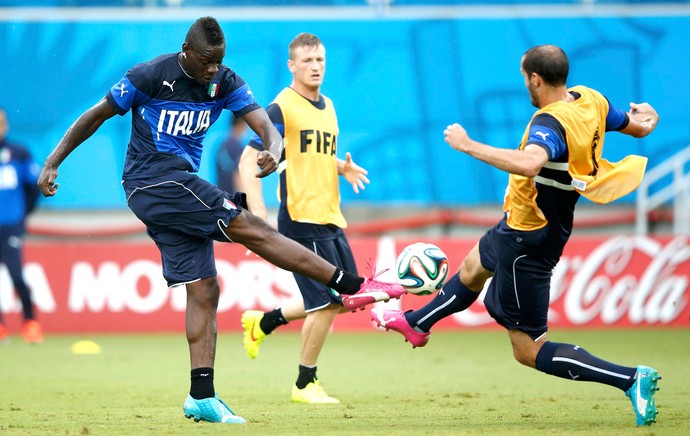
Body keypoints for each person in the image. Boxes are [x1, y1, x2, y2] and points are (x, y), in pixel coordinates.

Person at [37, 17, 404, 425]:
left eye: (219, 62)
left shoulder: (225, 81)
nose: (214, 70)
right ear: (186, 51)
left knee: (205, 287)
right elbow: (97, 115)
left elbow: (263, 123)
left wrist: (274, 146)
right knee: (252, 227)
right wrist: (53, 161)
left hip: (178, 187)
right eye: (207, 62)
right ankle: (351, 285)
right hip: (151, 180)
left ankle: (202, 396)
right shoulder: (150, 75)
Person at [371, 45, 661, 427]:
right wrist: (647, 117)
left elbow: (530, 161)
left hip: (530, 239)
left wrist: (468, 145)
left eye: (525, 77)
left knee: (528, 348)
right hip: (521, 223)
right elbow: (638, 126)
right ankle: (418, 323)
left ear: (535, 79)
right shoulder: (593, 99)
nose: (525, 82)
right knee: (474, 266)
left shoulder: (549, 123)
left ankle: (629, 379)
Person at [238, 33, 382, 404]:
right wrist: (258, 217)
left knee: (347, 298)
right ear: (292, 66)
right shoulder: (280, 108)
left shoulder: (328, 105)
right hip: (300, 217)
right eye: (307, 61)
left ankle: (264, 321)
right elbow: (247, 160)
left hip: (329, 214)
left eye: (319, 60)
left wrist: (340, 168)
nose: (315, 67)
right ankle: (305, 384)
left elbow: (309, 154)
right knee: (327, 303)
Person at [0, 107, 43, 345]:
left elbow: (32, 187)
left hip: (10, 225)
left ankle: (30, 322)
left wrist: (22, 215)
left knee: (16, 274)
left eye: (1, 122)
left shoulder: (18, 152)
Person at [215, 115, 247, 193]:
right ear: (242, 124)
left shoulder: (222, 145)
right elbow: (238, 174)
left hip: (221, 194)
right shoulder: (236, 146)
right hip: (233, 197)